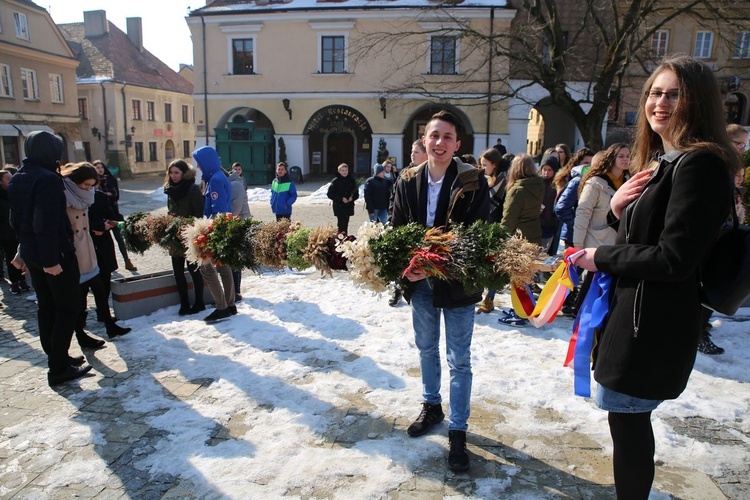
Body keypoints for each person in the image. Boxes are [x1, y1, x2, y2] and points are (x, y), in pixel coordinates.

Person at [574, 55, 740, 499]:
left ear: (697, 102)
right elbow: (647, 237)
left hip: (652, 325)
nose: (659, 103)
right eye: (654, 92)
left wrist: (600, 256)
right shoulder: (668, 161)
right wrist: (616, 210)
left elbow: (674, 259)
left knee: (629, 428)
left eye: (673, 94)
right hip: (633, 315)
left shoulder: (700, 165)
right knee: (624, 424)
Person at [391, 110, 489, 472]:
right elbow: (397, 229)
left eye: (447, 137)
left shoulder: (473, 181)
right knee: (426, 349)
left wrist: (429, 262)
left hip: (459, 286)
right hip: (422, 286)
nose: (440, 143)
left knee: (459, 360)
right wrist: (409, 267)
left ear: (457, 144)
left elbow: (476, 237)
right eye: (434, 136)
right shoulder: (407, 180)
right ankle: (432, 406)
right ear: (424, 139)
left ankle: (459, 431)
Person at [8, 131, 93, 386]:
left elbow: (17, 221)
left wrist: (25, 252)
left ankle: (58, 357)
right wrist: (50, 260)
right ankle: (58, 367)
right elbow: (44, 223)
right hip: (54, 254)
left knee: (47, 307)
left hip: (35, 253)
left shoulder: (18, 177)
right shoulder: (47, 179)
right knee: (67, 308)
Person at [61, 163, 131, 346]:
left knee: (101, 290)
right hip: (75, 253)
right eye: (85, 185)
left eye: (92, 185)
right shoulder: (64, 196)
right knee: (79, 297)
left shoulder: (92, 196)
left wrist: (106, 225)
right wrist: (97, 227)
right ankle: (80, 334)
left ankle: (109, 326)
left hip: (91, 251)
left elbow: (109, 216)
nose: (88, 189)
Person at [696, 124, 749, 355]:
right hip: (710, 240)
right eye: (740, 144)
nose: (743, 149)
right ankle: (697, 334)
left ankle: (700, 327)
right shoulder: (717, 164)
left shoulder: (728, 165)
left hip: (723, 238)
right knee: (707, 289)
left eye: (745, 145)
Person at [497, 154, 545, 327]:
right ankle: (523, 310)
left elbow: (509, 218)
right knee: (527, 277)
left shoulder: (517, 189)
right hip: (534, 235)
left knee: (518, 279)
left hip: (519, 239)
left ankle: (521, 313)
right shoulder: (538, 186)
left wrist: (500, 237)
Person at [193, 146, 236, 323]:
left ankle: (222, 306)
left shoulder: (216, 180)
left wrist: (209, 231)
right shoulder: (216, 177)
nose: (198, 167)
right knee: (224, 267)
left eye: (200, 163)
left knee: (208, 270)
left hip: (215, 229)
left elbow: (217, 210)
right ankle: (231, 304)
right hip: (221, 228)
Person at [389, 139, 428, 307]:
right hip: (404, 226)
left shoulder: (433, 174)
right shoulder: (406, 173)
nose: (412, 154)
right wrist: (392, 216)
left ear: (426, 154)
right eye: (412, 151)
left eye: (416, 152)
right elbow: (394, 197)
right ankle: (398, 289)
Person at [165, 159, 206, 316]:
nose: (173, 176)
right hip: (174, 236)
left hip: (189, 234)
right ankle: (184, 303)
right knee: (178, 272)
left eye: (177, 173)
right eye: (171, 173)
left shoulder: (192, 189)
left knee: (193, 270)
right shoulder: (169, 189)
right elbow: (170, 211)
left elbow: (199, 213)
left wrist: (188, 227)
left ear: (184, 173)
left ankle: (199, 302)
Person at [476, 148, 510, 314]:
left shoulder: (502, 181)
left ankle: (489, 297)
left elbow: (493, 203)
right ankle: (483, 295)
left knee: (494, 265)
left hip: (495, 227)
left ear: (494, 164)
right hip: (484, 226)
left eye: (484, 165)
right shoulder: (487, 179)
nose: (481, 168)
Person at [93, 160, 137, 271]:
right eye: (97, 167)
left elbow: (116, 195)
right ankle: (106, 264)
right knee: (105, 243)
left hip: (114, 214)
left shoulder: (111, 179)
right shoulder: (93, 182)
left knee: (120, 239)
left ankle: (127, 261)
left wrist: (104, 194)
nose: (100, 169)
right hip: (100, 218)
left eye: (101, 167)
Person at [0, 169, 31, 294]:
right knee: (10, 257)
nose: (11, 180)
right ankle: (14, 283)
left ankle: (22, 280)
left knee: (22, 255)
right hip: (5, 233)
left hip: (18, 230)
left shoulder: (15, 193)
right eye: (7, 179)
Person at [229, 166, 251, 302]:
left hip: (238, 225)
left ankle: (236, 291)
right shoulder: (233, 183)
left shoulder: (236, 184)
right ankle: (233, 291)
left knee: (235, 260)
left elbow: (235, 211)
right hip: (236, 224)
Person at [326, 163, 359, 234]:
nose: (344, 172)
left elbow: (356, 193)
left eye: (346, 170)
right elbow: (330, 194)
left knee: (346, 224)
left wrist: (352, 198)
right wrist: (341, 198)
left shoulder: (352, 180)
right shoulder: (335, 181)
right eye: (342, 170)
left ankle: (345, 238)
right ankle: (340, 239)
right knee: (341, 225)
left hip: (348, 206)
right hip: (339, 206)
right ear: (339, 171)